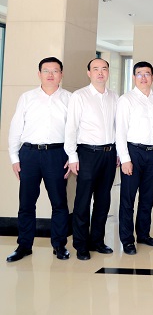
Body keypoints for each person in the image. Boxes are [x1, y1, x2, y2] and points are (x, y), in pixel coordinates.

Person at [6, 57, 72, 262]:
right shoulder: (27, 98)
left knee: (59, 203)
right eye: (46, 71)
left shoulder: (70, 99)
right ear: (39, 74)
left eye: (55, 71)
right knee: (26, 203)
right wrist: (14, 158)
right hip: (29, 155)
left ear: (61, 74)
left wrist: (72, 156)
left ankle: (59, 245)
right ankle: (24, 246)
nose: (50, 75)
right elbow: (16, 128)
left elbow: (75, 131)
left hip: (57, 154)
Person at [65, 58, 118, 261]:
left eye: (104, 69)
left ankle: (97, 241)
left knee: (103, 200)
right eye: (96, 69)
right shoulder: (79, 96)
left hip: (109, 154)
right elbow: (71, 128)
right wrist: (72, 156)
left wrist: (118, 153)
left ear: (108, 72)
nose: (100, 73)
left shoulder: (114, 97)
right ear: (89, 73)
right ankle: (81, 244)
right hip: (87, 154)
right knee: (83, 200)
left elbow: (117, 127)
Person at [115, 61, 153, 255]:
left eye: (147, 74)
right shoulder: (126, 100)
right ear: (134, 77)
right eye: (140, 74)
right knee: (128, 198)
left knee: (148, 197)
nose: (144, 77)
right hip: (133, 152)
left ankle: (143, 234)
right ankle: (127, 240)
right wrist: (125, 158)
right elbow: (120, 131)